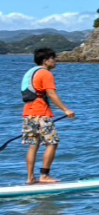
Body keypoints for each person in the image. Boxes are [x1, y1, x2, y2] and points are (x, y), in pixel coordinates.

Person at [20, 47, 76, 184]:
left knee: (33, 146)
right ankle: (44, 176)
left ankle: (30, 178)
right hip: (41, 114)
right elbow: (51, 94)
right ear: (45, 61)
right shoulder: (46, 74)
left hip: (28, 113)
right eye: (53, 58)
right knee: (52, 143)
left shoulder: (31, 72)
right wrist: (65, 110)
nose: (56, 61)